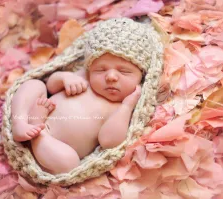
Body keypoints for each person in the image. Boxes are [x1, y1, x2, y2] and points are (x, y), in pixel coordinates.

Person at [10, 18, 160, 174]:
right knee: (35, 85)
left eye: (124, 71)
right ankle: (19, 122)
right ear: (90, 68)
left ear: (140, 78)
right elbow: (51, 86)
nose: (111, 77)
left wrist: (127, 106)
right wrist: (64, 78)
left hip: (52, 148)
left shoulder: (122, 108)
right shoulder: (84, 78)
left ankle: (38, 133)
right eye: (100, 70)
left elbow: (109, 141)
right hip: (34, 113)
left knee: (70, 164)